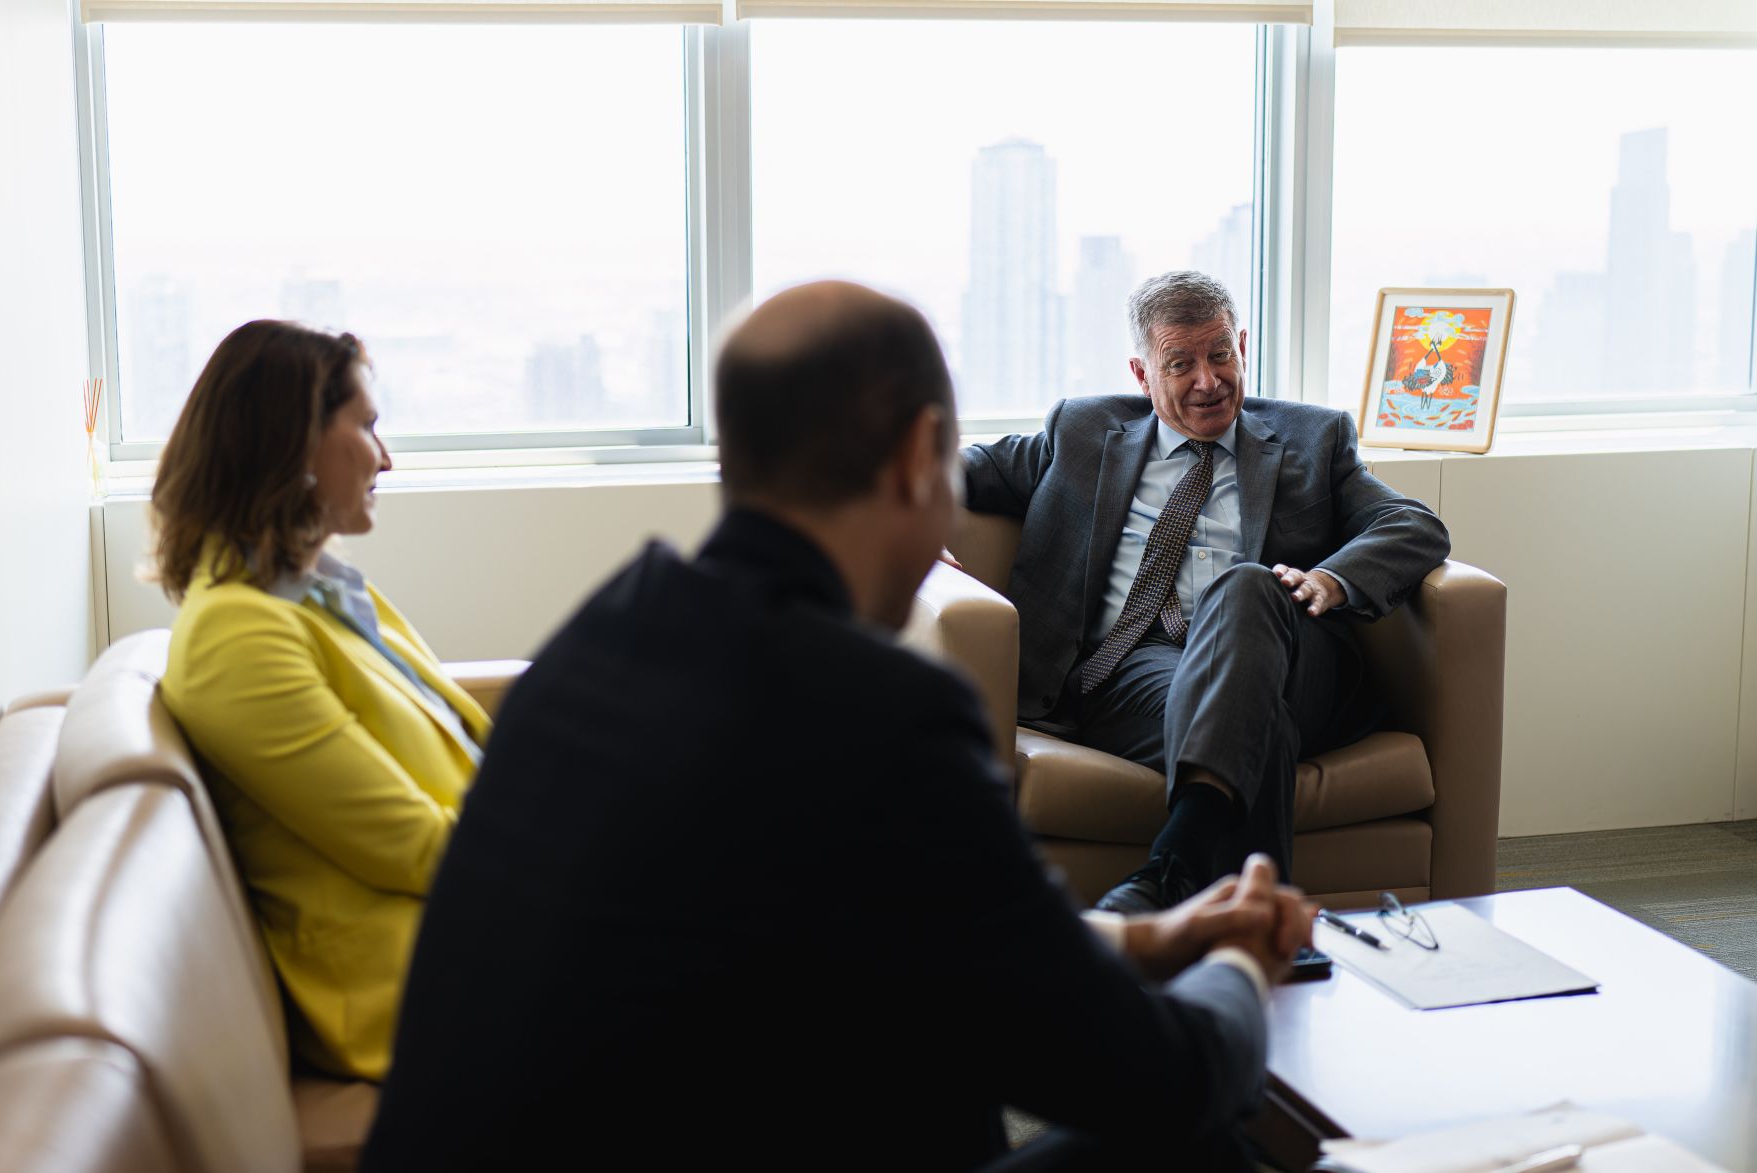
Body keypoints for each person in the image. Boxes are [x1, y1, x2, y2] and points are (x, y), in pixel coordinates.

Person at [363, 281, 1310, 1172]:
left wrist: (1155, 939)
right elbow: (1151, 1076)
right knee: (1192, 1139)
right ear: (917, 456)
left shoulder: (603, 637)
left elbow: (952, 940)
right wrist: (1239, 963)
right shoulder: (879, 710)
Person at [962, 270, 1450, 915]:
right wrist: (917, 525)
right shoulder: (1083, 432)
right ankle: (1257, 918)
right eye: (1180, 363)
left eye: (1221, 354)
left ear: (1242, 346)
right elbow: (964, 468)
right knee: (1254, 728)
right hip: (1131, 674)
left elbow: (1413, 523)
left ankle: (1176, 866)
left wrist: (1331, 580)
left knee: (1246, 586)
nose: (1208, 381)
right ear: (1142, 374)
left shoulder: (1314, 439)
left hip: (1292, 662)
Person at [154, 320, 490, 1081]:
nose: (386, 456)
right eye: (367, 425)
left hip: (489, 921)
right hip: (435, 983)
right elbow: (414, 850)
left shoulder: (318, 588)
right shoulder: (236, 638)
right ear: (294, 443)